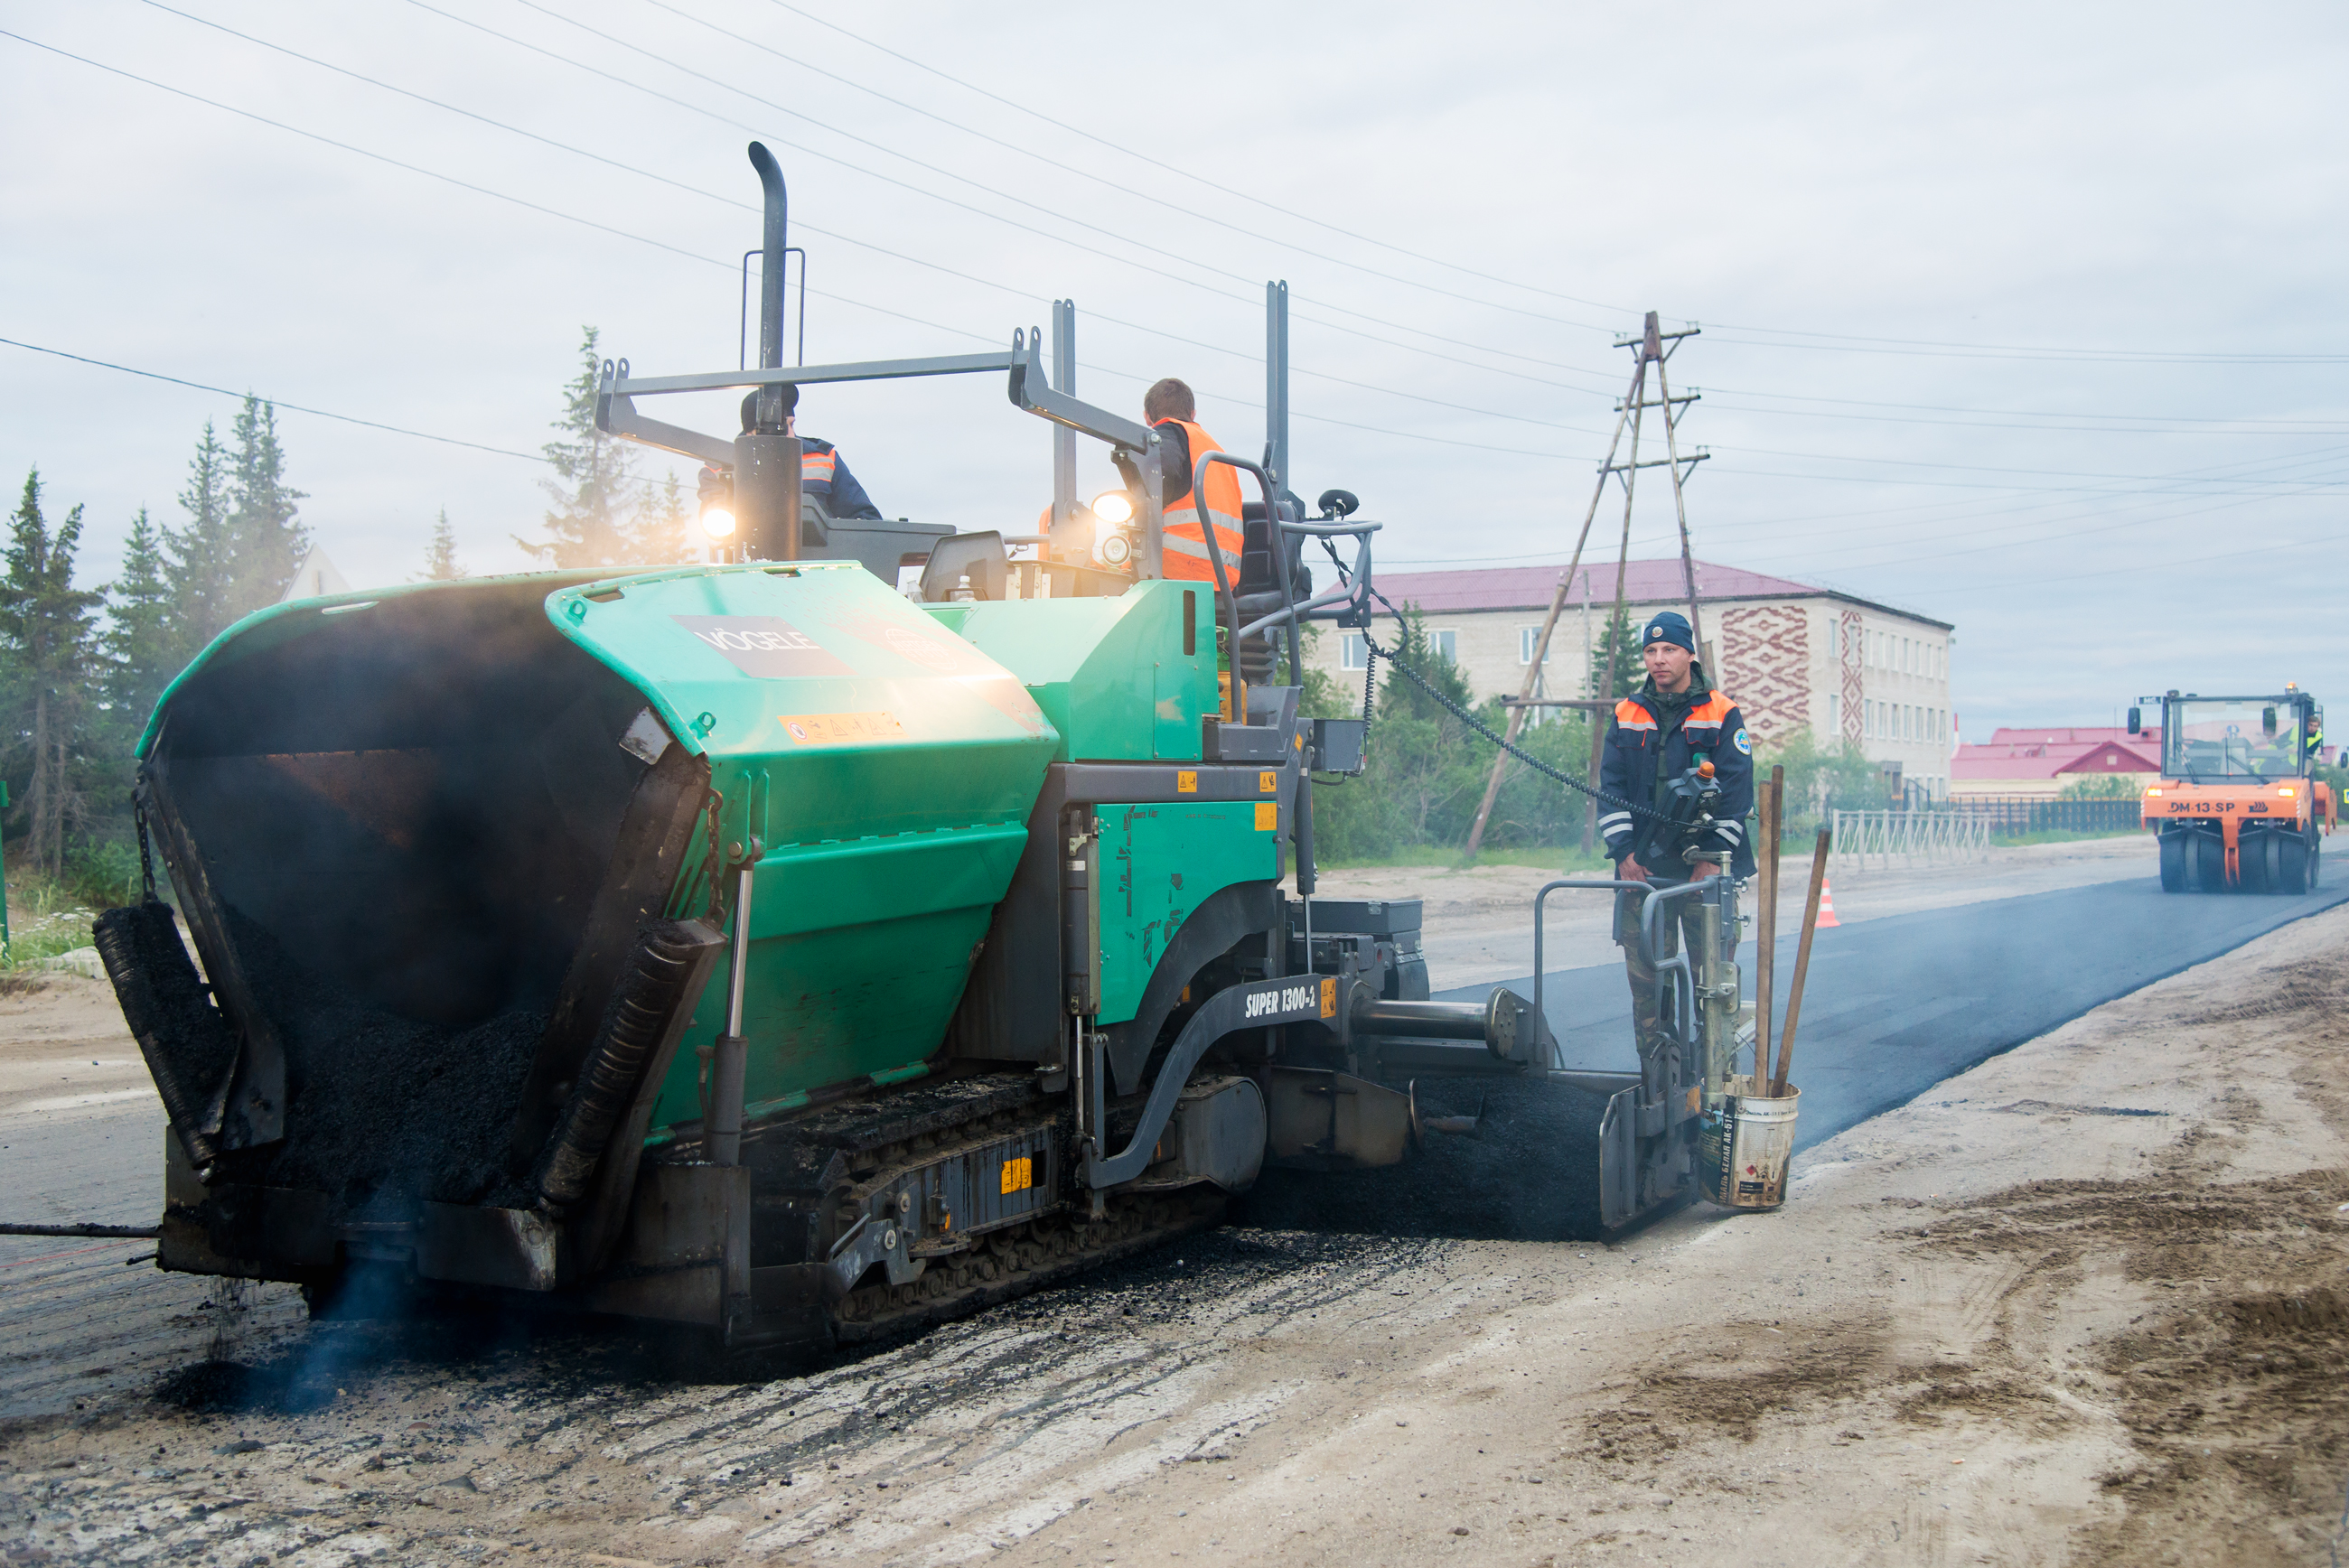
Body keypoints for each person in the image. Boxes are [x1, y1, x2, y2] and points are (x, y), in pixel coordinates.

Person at [1597, 610, 1756, 1058]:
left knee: (1713, 986)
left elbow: (1736, 793)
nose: (1659, 659)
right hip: (1643, 870)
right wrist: (1624, 854)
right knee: (1649, 987)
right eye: (1651, 650)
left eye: (1669, 650)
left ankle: (1714, 1085)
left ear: (1690, 654)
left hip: (1702, 873)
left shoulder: (1722, 712)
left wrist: (1710, 860)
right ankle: (1659, 1084)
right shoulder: (1627, 712)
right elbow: (1610, 789)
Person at [697, 386, 884, 525]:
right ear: (751, 433)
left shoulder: (825, 459)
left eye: (791, 425)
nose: (790, 434)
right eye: (782, 427)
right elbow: (714, 517)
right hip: (746, 569)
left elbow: (865, 518)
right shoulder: (720, 469)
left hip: (819, 569)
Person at [1118, 378, 1243, 583]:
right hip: (1222, 577)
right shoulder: (1215, 451)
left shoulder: (1166, 434)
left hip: (1176, 571)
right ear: (1193, 414)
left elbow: (1161, 473)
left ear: (1147, 418)